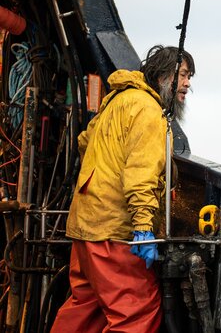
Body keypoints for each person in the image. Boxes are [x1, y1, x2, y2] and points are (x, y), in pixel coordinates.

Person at [51, 45, 194, 333]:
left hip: (85, 227)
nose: (188, 84)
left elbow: (84, 143)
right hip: (113, 232)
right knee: (137, 312)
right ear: (164, 76)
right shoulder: (149, 111)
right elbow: (140, 176)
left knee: (85, 310)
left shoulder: (116, 101)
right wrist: (143, 230)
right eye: (183, 75)